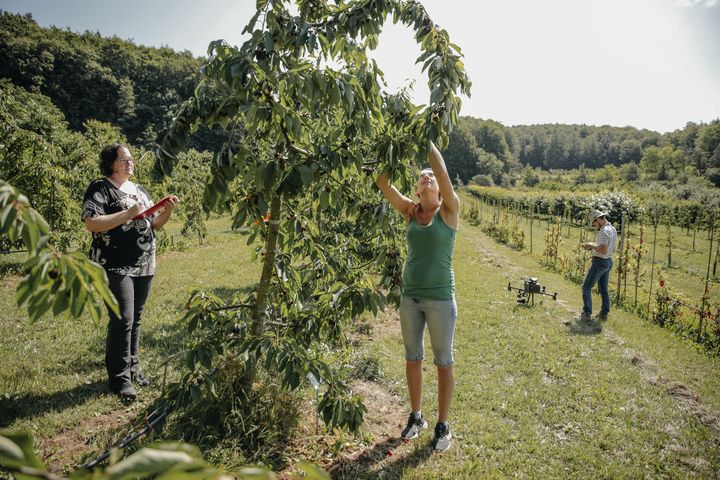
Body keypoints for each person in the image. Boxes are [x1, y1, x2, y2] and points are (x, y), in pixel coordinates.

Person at [375, 141, 459, 453]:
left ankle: (442, 424)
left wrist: (424, 139)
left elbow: (443, 172)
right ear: (417, 188)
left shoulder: (449, 211)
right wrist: (394, 145)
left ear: (438, 190)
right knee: (412, 357)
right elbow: (382, 183)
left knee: (443, 361)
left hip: (439, 300)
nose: (427, 176)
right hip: (410, 297)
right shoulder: (411, 211)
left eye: (431, 177)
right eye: (422, 175)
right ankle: (417, 417)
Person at [82, 143, 179, 401]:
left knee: (135, 319)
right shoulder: (100, 188)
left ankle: (133, 369)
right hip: (113, 265)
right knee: (122, 319)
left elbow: (154, 224)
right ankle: (119, 380)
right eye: (124, 159)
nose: (129, 163)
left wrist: (166, 210)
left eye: (131, 159)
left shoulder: (139, 190)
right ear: (111, 163)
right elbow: (92, 223)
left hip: (144, 263)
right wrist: (126, 214)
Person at [577, 209, 617, 333]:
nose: (594, 225)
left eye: (594, 223)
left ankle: (587, 313)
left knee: (586, 287)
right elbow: (605, 249)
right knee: (603, 289)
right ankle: (604, 313)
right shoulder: (612, 229)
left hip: (600, 262)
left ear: (598, 219)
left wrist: (591, 246)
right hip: (607, 262)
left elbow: (603, 250)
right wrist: (594, 247)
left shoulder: (603, 231)